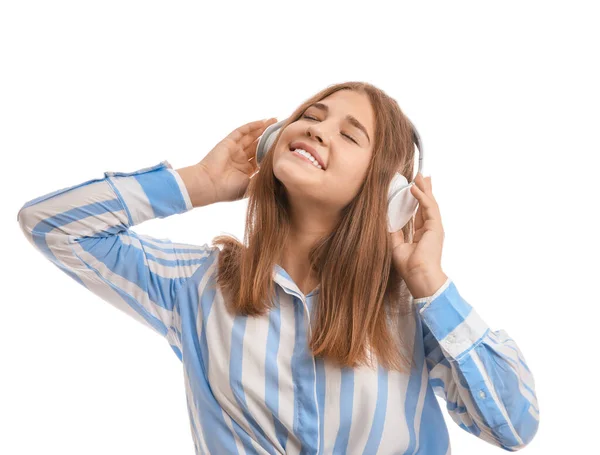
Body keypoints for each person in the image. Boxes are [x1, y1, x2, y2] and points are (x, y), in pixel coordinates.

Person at [17, 81, 539, 454]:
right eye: (310, 117)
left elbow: (514, 427)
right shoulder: (199, 286)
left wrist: (430, 283)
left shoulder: (415, 312)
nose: (315, 130)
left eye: (350, 134)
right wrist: (197, 183)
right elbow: (50, 225)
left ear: (389, 196)